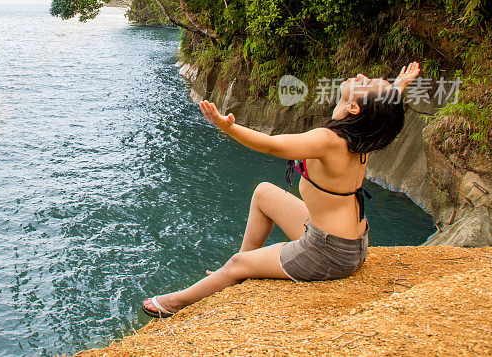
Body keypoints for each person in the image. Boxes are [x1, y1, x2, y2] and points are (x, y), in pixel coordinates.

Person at [142, 63, 421, 318]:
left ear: (355, 108)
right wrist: (399, 85)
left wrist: (227, 128)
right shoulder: (364, 133)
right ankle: (240, 270)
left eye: (367, 82)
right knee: (263, 193)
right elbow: (381, 106)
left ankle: (176, 303)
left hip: (328, 252)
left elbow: (272, 145)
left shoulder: (329, 140)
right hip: (350, 244)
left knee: (238, 263)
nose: (361, 75)